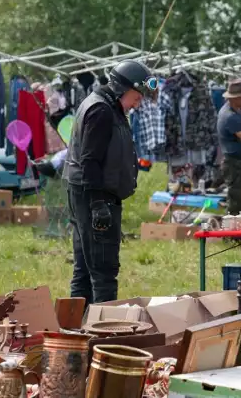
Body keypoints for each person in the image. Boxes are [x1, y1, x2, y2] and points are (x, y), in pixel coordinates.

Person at [63, 59, 156, 304]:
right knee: (104, 272)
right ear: (122, 88)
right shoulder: (101, 110)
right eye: (138, 95)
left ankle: (78, 330)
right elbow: (89, 160)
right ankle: (103, 331)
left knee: (85, 269)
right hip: (95, 196)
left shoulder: (107, 106)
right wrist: (97, 205)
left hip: (91, 194)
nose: (139, 101)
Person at [217, 79, 241, 214]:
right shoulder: (230, 117)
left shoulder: (236, 111)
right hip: (233, 163)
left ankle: (238, 230)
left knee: (239, 198)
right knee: (236, 202)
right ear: (235, 98)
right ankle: (235, 233)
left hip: (237, 162)